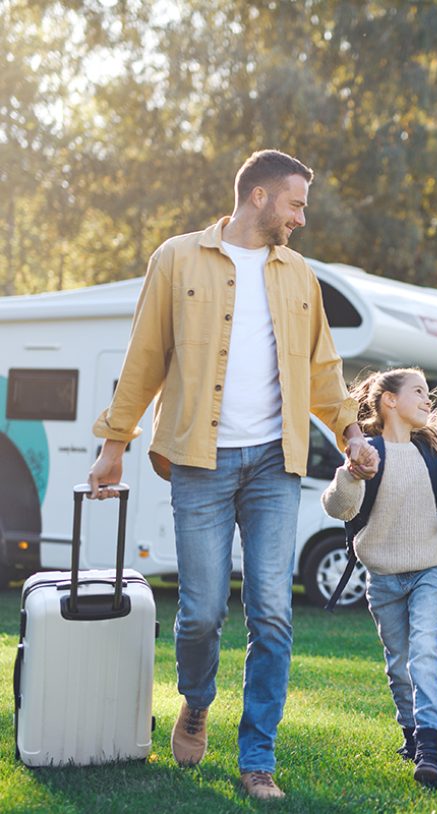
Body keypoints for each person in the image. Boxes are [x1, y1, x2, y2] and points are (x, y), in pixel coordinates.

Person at [87, 149, 378, 801]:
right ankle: (196, 702)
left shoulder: (299, 275)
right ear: (259, 197)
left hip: (276, 463)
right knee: (200, 613)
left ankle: (257, 758)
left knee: (272, 611)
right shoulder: (177, 258)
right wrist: (114, 442)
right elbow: (144, 358)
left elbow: (323, 371)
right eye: (296, 204)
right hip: (200, 460)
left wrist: (352, 432)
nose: (301, 218)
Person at [320, 368, 437, 788]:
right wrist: (350, 474)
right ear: (389, 401)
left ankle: (431, 749)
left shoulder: (431, 456)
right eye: (418, 391)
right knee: (399, 665)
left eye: (429, 393)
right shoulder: (368, 454)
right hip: (382, 579)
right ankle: (412, 737)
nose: (428, 400)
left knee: (424, 653)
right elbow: (339, 508)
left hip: (429, 573)